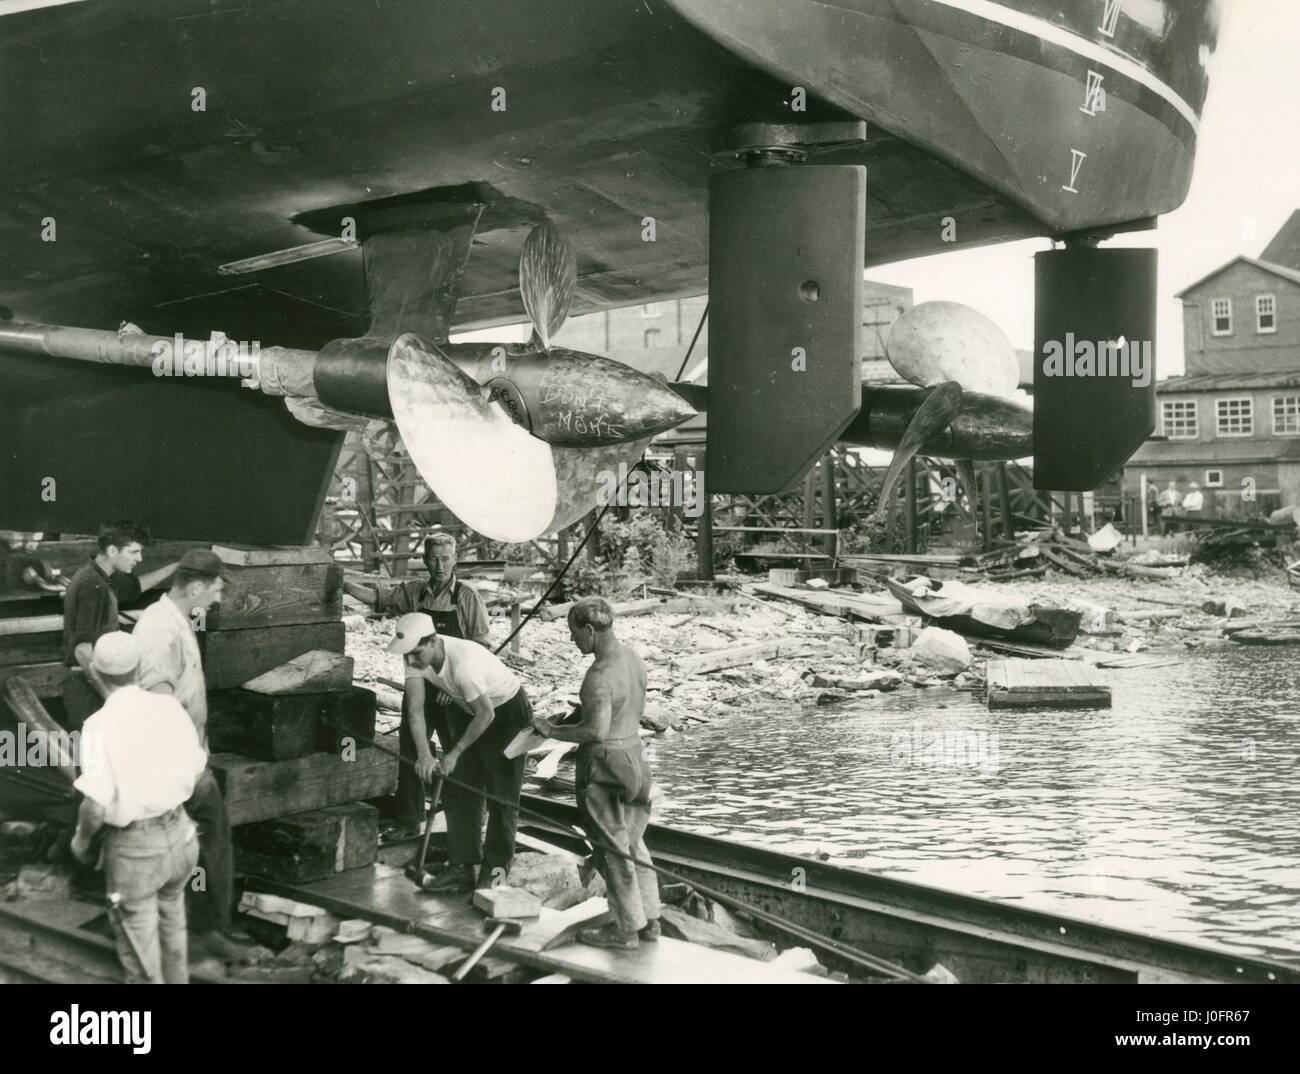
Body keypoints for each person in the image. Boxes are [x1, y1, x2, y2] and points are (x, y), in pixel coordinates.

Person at [131, 548, 254, 963]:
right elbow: (157, 701)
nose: (217, 599)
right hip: (172, 763)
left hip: (187, 759)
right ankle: (206, 929)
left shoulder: (175, 621)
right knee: (206, 839)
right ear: (196, 586)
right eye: (216, 591)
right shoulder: (158, 629)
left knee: (204, 841)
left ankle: (202, 926)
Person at [70, 632, 207, 983]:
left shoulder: (98, 726)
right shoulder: (169, 707)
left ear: (96, 674)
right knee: (174, 926)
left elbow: (95, 807)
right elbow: (196, 766)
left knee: (141, 954)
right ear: (139, 668)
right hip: (182, 837)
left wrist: (82, 841)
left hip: (136, 853)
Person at [532, 597, 660, 949]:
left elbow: (596, 732)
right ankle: (650, 920)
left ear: (589, 630)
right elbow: (625, 710)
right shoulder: (632, 657)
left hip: (606, 762)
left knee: (611, 849)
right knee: (634, 842)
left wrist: (551, 731)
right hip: (636, 756)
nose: (573, 640)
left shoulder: (598, 675)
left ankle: (626, 930)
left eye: (574, 633)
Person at [346, 533, 491, 837]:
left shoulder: (467, 597)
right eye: (434, 559)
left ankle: (466, 827)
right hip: (420, 681)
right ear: (425, 560)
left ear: (455, 560)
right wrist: (343, 584)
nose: (439, 566)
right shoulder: (414, 592)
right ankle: (409, 821)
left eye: (445, 559)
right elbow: (378, 598)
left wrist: (456, 690)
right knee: (411, 749)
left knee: (459, 757)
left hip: (457, 686)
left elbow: (481, 645)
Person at [388, 611, 531, 892]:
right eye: (408, 655)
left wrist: (454, 752)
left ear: (433, 642)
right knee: (459, 787)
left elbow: (486, 715)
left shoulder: (464, 664)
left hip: (506, 714)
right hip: (471, 710)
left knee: (502, 797)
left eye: (416, 653)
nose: (411, 661)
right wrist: (424, 755)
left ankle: (495, 874)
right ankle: (462, 868)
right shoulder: (414, 656)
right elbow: (415, 710)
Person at [61, 520, 177, 731]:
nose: (139, 559)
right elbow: (82, 650)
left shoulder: (102, 577)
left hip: (92, 682)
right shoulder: (93, 586)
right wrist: (112, 696)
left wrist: (176, 567)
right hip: (87, 687)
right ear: (113, 550)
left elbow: (137, 586)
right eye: (133, 552)